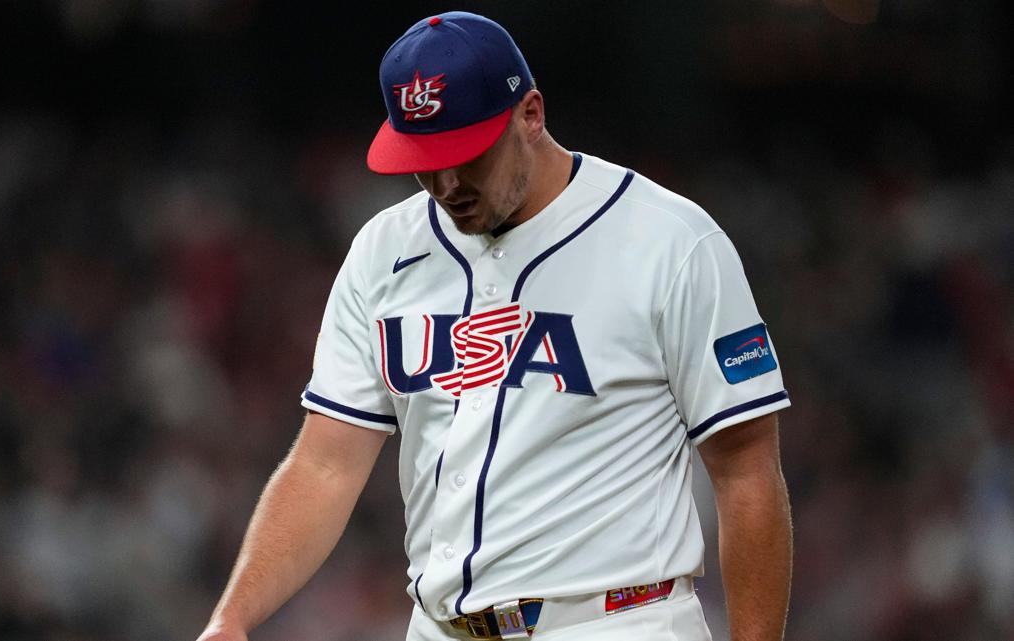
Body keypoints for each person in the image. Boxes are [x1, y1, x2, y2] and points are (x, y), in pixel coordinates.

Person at [196, 11, 792, 641]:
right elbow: (325, 465)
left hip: (614, 621)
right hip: (439, 628)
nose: (446, 183)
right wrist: (232, 619)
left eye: (465, 155)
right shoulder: (383, 250)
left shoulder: (671, 241)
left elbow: (746, 468)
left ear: (530, 115)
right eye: (425, 160)